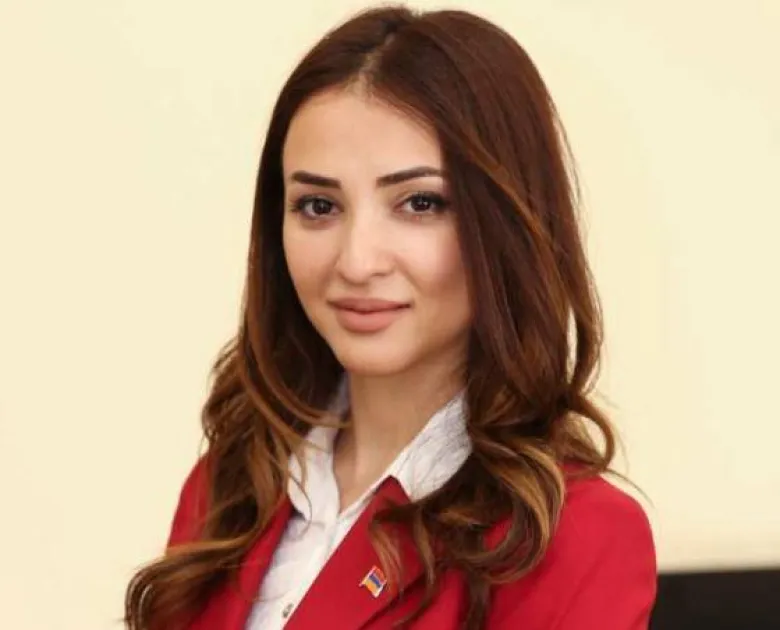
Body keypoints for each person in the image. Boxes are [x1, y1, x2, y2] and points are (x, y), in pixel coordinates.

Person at [125, 5, 656, 630]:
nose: (356, 261)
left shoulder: (574, 538)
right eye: (318, 205)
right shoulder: (233, 483)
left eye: (420, 203)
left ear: (505, 225)